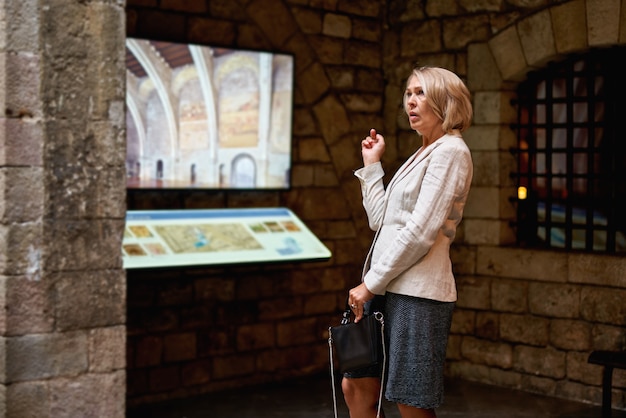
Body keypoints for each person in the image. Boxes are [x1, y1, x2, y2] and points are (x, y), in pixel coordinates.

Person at [342, 66, 474, 418]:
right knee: (356, 384)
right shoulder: (421, 153)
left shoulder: (451, 152)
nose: (411, 102)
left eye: (421, 93)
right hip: (386, 287)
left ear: (445, 102)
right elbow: (379, 221)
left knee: (409, 398)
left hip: (417, 294)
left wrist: (370, 284)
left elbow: (419, 233)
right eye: (408, 93)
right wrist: (372, 166)